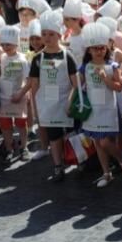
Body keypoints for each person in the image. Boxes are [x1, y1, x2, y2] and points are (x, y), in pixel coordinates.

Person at [79, 22, 122, 188]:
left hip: (109, 109)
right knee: (97, 142)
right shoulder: (85, 67)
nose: (99, 51)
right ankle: (106, 173)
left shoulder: (112, 66)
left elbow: (119, 87)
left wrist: (105, 79)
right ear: (89, 50)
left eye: (102, 48)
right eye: (95, 48)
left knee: (104, 142)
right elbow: (78, 86)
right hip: (93, 110)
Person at [28, 10, 78, 182]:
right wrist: (36, 110)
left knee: (70, 134)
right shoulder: (37, 59)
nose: (47, 38)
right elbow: (34, 86)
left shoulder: (68, 55)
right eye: (44, 34)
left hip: (65, 102)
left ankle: (75, 159)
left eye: (51, 34)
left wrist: (70, 102)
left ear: (59, 35)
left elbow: (75, 83)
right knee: (54, 135)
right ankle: (58, 166)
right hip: (47, 105)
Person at [0, 25, 31, 164]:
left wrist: (22, 93)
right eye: (3, 44)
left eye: (9, 44)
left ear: (16, 43)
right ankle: (9, 148)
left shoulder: (23, 59)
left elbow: (29, 80)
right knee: (5, 125)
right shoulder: (0, 58)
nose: (5, 47)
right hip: (3, 97)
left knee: (21, 123)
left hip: (18, 97)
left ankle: (24, 147)